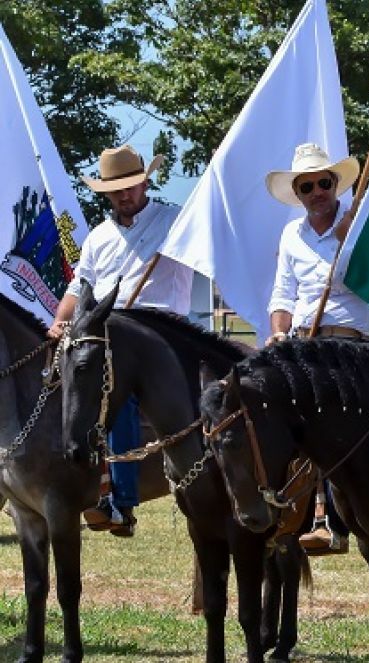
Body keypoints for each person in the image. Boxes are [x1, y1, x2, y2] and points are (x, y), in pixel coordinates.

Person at [50, 144, 194, 537]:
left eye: (130, 186)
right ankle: (49, 478)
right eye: (115, 189)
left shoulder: (177, 222)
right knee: (61, 380)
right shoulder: (98, 237)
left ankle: (121, 501)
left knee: (117, 389)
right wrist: (60, 322)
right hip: (109, 334)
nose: (124, 194)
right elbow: (79, 288)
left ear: (146, 183)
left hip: (163, 333)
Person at [265, 142, 369, 555]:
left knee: (323, 413)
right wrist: (278, 333)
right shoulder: (291, 235)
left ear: (335, 185)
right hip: (303, 344)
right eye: (307, 187)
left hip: (349, 343)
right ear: (298, 194)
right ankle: (273, 509)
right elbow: (282, 295)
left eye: (323, 184)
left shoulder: (359, 225)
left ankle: (330, 520)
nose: (317, 193)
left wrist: (352, 244)